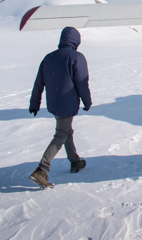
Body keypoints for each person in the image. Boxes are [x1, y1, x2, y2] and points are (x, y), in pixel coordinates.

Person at [28, 26, 92, 188]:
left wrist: (34, 103)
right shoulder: (76, 57)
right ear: (76, 41)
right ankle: (42, 169)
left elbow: (38, 83)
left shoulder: (49, 58)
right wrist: (87, 101)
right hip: (67, 103)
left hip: (54, 103)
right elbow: (82, 82)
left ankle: (75, 161)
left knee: (66, 132)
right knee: (61, 134)